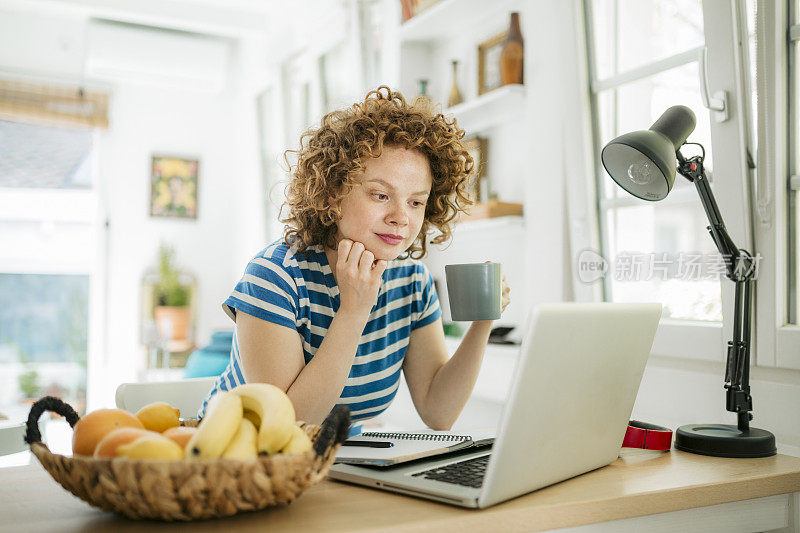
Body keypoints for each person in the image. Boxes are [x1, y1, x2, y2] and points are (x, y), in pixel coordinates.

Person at [198, 86, 511, 433]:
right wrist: (354, 311)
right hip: (245, 461)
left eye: (416, 202)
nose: (401, 217)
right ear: (333, 195)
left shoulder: (411, 280)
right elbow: (286, 427)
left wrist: (484, 322)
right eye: (381, 195)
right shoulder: (274, 277)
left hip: (342, 467)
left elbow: (439, 411)